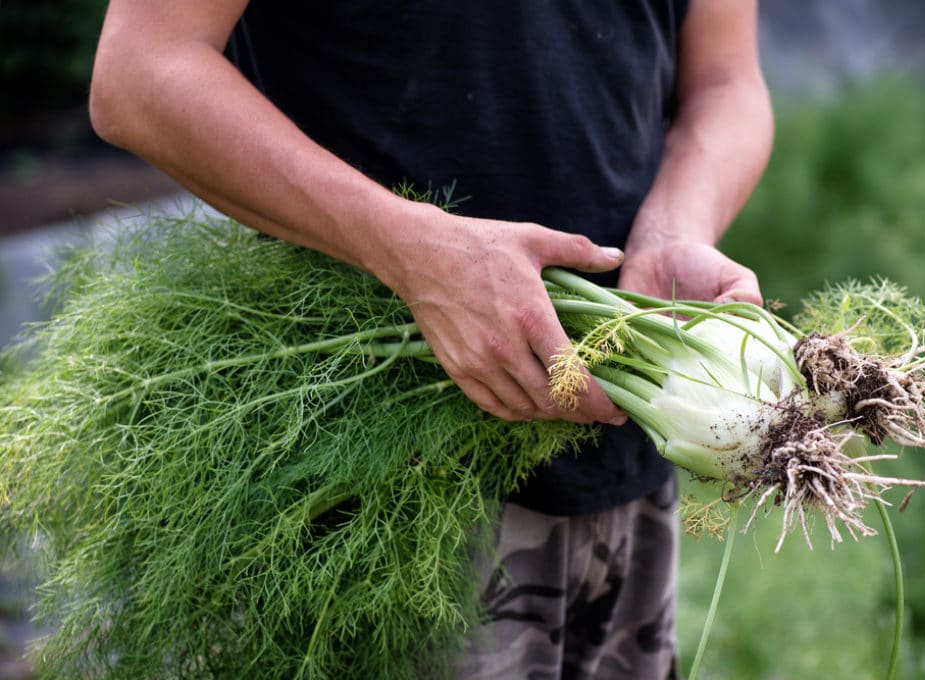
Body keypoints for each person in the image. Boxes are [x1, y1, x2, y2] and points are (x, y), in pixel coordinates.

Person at [89, 1, 772, 677]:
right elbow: (142, 69)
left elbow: (726, 82)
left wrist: (677, 227)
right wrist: (413, 250)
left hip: (630, 451)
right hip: (377, 482)